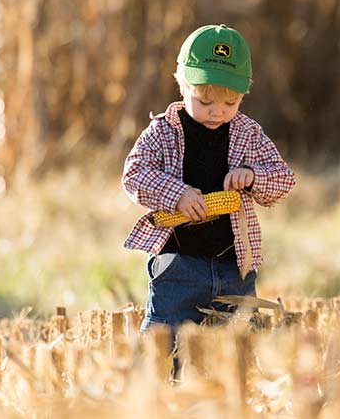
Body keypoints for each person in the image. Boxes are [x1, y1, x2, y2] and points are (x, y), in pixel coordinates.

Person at [122, 24, 296, 332]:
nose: (217, 112)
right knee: (166, 343)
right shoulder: (164, 132)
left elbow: (284, 180)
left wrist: (254, 176)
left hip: (234, 267)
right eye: (205, 102)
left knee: (238, 346)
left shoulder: (248, 134)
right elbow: (134, 174)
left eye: (230, 104)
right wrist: (177, 194)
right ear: (183, 85)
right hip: (178, 264)